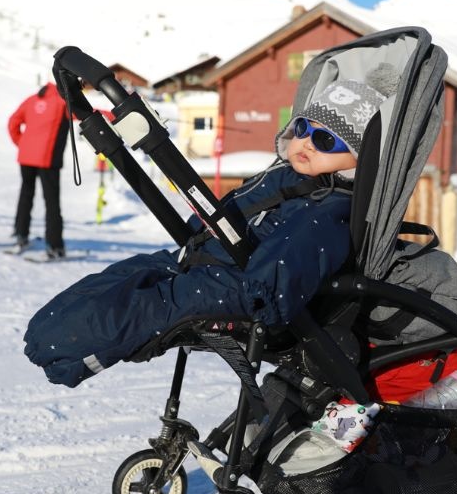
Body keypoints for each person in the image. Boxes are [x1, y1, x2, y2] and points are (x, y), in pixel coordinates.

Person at [24, 69, 397, 387]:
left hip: (239, 288)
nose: (305, 144)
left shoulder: (330, 208)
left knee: (148, 308)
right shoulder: (282, 175)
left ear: (358, 157)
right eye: (302, 128)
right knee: (128, 275)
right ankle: (48, 332)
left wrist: (255, 290)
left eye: (325, 140)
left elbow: (286, 266)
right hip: (206, 259)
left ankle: (68, 357)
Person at [7, 82, 72, 258]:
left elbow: (13, 122)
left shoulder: (32, 99)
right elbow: (86, 113)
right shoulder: (62, 102)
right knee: (51, 202)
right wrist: (114, 115)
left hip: (26, 157)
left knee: (25, 195)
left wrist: (21, 144)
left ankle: (21, 235)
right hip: (47, 159)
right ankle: (55, 246)